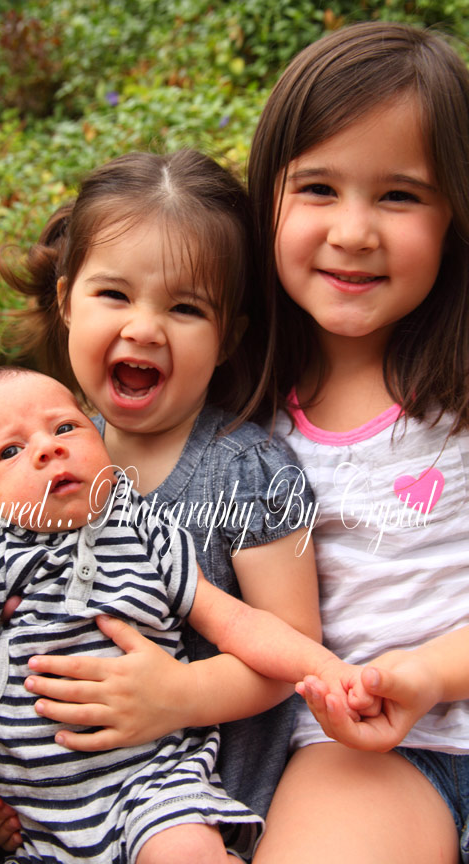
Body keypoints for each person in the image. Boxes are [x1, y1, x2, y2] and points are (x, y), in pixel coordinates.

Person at [0, 150, 326, 861]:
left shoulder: (243, 473)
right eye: (114, 295)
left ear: (228, 337)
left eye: (185, 308)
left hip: (171, 788)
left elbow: (293, 644)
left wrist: (180, 693)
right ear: (67, 301)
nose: (145, 329)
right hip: (33, 795)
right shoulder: (23, 466)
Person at [0, 365, 346, 863]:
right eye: (10, 451)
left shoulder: (146, 531)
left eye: (65, 427)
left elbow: (236, 623)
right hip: (34, 816)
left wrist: (324, 667)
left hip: (153, 778)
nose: (48, 448)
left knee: (184, 851)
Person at [242, 20, 469, 864]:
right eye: (319, 188)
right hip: (362, 749)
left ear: (455, 215)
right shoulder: (240, 411)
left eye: (400, 196)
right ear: (267, 199)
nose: (354, 231)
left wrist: (432, 673)